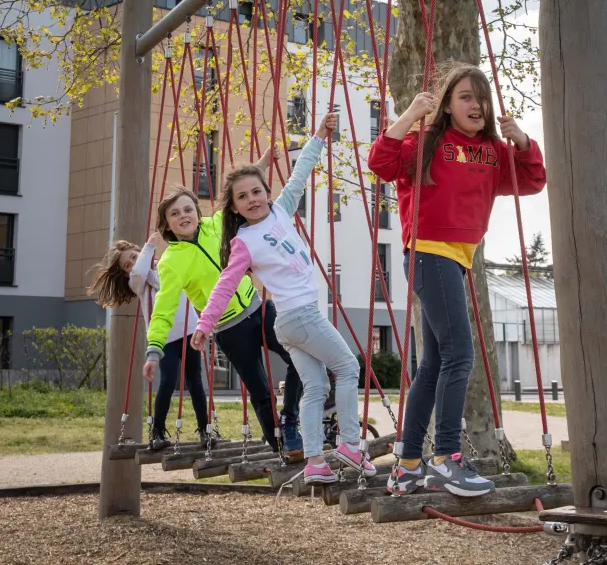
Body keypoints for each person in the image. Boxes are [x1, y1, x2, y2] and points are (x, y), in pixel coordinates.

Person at [368, 63, 546, 498]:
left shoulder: (493, 152)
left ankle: (408, 465)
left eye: (482, 98)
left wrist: (521, 141)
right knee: (460, 355)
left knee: (433, 365)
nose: (476, 105)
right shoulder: (426, 142)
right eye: (466, 96)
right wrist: (411, 115)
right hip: (429, 252)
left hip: (457, 260)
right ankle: (448, 458)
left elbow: (533, 181)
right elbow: (381, 163)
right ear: (447, 103)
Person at [191, 112, 377, 486]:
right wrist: (205, 324)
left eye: (256, 191)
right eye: (243, 197)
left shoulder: (280, 210)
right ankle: (351, 446)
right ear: (234, 207)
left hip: (287, 323)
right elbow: (225, 285)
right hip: (301, 317)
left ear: (265, 191)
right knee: (348, 368)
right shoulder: (243, 243)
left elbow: (300, 173)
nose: (252, 199)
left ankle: (314, 462)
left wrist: (319, 138)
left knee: (316, 387)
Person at [143, 146, 305, 462]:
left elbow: (238, 193)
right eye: (174, 214)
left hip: (259, 310)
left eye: (188, 209)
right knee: (260, 390)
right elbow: (163, 309)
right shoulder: (171, 262)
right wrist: (154, 350)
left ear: (197, 211)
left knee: (303, 357)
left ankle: (290, 418)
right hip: (230, 330)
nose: (183, 216)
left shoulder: (215, 225)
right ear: (166, 224)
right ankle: (283, 447)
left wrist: (261, 164)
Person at [87, 235, 210, 450]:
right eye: (128, 264)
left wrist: (148, 255)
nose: (134, 264)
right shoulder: (138, 283)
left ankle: (205, 430)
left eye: (135, 257)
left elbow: (170, 280)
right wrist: (149, 246)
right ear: (126, 273)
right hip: (165, 338)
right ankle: (157, 432)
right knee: (168, 381)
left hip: (189, 330)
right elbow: (141, 274)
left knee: (195, 382)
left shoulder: (166, 265)